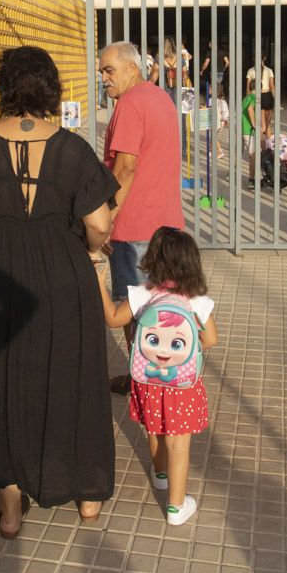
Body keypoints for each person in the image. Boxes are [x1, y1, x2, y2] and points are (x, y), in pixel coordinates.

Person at [0, 46, 118, 535]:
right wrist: (92, 253)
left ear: (5, 86)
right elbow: (99, 224)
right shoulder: (74, 148)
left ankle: (11, 509)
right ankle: (87, 497)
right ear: (51, 89)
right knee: (73, 378)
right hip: (63, 281)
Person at [94, 227, 217, 526]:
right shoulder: (197, 301)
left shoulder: (143, 294)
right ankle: (176, 506)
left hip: (148, 382)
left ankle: (160, 475)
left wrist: (99, 279)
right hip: (181, 384)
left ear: (154, 261)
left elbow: (111, 318)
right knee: (179, 443)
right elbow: (210, 339)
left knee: (154, 428)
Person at [99, 41, 184, 394]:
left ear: (132, 69)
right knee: (158, 305)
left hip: (135, 227)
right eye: (101, 71)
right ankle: (148, 377)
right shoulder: (158, 97)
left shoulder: (131, 104)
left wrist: (107, 218)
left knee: (134, 309)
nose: (104, 78)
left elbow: (126, 167)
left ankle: (146, 382)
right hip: (165, 223)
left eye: (109, 70)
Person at [246, 53, 276, 141]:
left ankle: (262, 148)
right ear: (265, 58)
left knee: (260, 125)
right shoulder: (269, 70)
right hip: (267, 97)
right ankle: (269, 147)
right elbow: (272, 86)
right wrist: (275, 100)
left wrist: (248, 98)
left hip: (256, 96)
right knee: (267, 125)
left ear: (254, 58)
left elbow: (248, 87)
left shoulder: (250, 71)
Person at [241, 89, 257, 189]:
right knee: (252, 155)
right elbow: (250, 109)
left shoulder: (245, 98)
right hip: (249, 130)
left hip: (242, 129)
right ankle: (251, 180)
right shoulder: (253, 97)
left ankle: (231, 173)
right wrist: (254, 124)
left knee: (240, 152)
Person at [216, 84, 230, 159]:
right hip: (217, 121)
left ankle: (220, 151)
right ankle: (213, 150)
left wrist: (224, 120)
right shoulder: (214, 100)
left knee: (214, 137)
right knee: (214, 136)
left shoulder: (221, 101)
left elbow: (225, 112)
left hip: (219, 121)